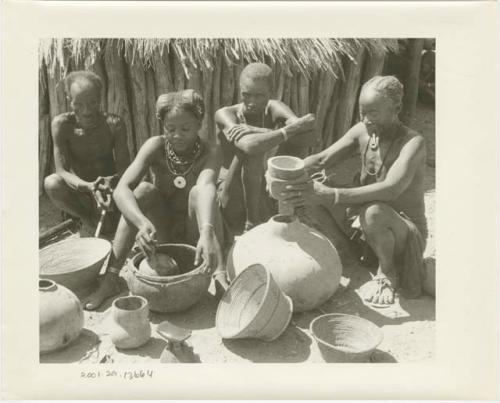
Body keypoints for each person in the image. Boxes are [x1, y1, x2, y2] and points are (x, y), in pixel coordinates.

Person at [281, 76, 427, 307]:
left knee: (373, 212)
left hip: (404, 234)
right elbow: (321, 160)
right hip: (366, 226)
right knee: (305, 194)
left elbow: (391, 189)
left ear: (396, 108)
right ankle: (349, 255)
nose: (366, 120)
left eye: (373, 113)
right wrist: (287, 173)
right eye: (362, 112)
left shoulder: (413, 143)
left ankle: (388, 273)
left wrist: (332, 195)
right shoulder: (362, 131)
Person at [84, 89, 225, 310]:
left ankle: (220, 276)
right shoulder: (155, 146)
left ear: (199, 124)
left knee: (199, 192)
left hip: (196, 233)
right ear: (162, 126)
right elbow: (122, 189)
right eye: (171, 129)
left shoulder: (211, 151)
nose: (177, 135)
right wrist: (141, 222)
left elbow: (207, 186)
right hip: (163, 231)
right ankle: (111, 279)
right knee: (143, 191)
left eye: (186, 128)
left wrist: (206, 232)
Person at [215, 62, 316, 233]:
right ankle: (251, 223)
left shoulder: (275, 108)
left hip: (264, 186)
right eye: (246, 95)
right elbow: (249, 146)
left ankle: (287, 213)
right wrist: (288, 130)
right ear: (240, 90)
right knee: (252, 151)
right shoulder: (226, 114)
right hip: (230, 191)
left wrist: (257, 129)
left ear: (271, 92)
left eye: (259, 96)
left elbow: (309, 136)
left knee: (291, 145)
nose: (251, 102)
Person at [44, 70, 130, 236]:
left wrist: (110, 182)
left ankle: (107, 215)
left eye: (93, 102)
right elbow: (61, 170)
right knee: (51, 183)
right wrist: (87, 187)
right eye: (79, 104)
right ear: (70, 101)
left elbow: (124, 167)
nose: (87, 111)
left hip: (109, 189)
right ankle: (85, 218)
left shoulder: (114, 124)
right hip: (80, 191)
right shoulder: (62, 125)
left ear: (100, 99)